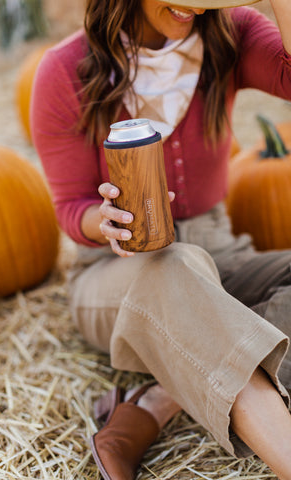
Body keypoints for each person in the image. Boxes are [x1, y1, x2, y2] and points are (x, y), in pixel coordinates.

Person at [30, 0, 291, 478]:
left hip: (220, 255)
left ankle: (158, 401)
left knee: (206, 271)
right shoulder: (64, 70)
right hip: (120, 270)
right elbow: (69, 209)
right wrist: (104, 218)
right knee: (175, 263)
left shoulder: (230, 35)